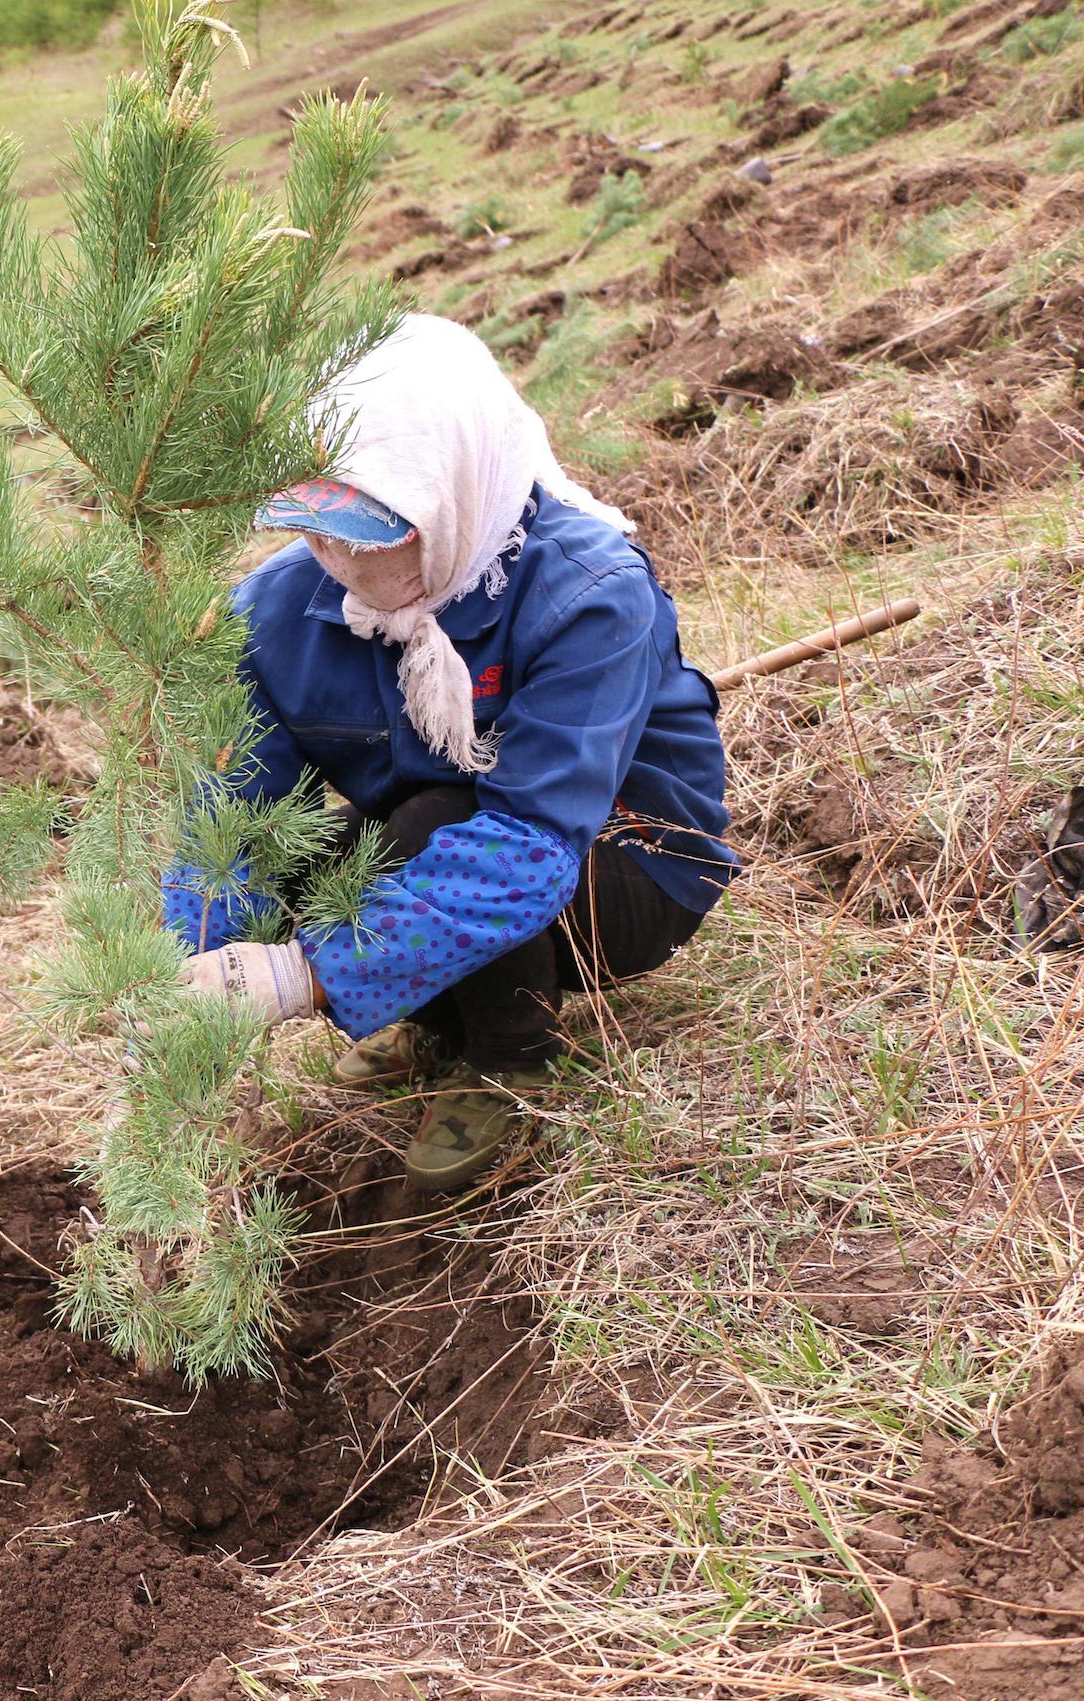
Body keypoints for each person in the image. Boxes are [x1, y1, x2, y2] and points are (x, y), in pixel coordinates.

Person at [167, 313, 736, 1192]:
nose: (338, 558)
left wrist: (302, 974)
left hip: (622, 864)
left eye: (374, 527)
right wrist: (197, 968)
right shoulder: (276, 613)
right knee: (327, 856)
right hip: (425, 825)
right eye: (317, 526)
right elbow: (230, 819)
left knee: (439, 823)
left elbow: (529, 844)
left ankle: (508, 1056)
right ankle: (430, 1011)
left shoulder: (587, 591)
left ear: (448, 484)